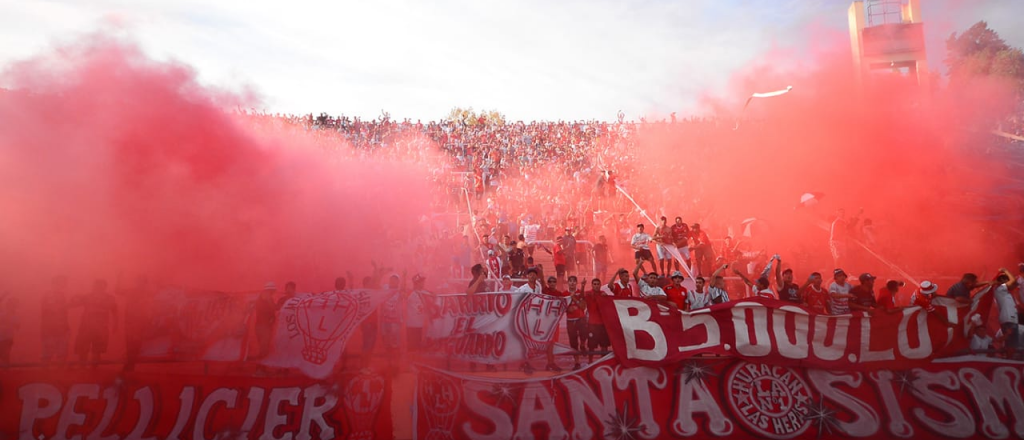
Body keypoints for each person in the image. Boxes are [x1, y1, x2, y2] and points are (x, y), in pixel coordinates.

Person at [71, 280, 119, 367]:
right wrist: (74, 298)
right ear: (94, 287)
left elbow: (114, 310)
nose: (98, 288)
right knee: (83, 348)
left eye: (101, 286)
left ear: (104, 287)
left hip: (100, 327)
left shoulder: (109, 298)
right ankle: (82, 367)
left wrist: (116, 324)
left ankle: (94, 368)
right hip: (86, 326)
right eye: (96, 286)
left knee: (97, 349)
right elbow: (73, 304)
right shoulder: (87, 296)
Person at [40, 276, 71, 367]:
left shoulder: (62, 295)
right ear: (54, 284)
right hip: (50, 327)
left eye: (62, 283)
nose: (62, 285)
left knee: (62, 349)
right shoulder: (48, 295)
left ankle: (59, 372)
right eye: (59, 283)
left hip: (61, 327)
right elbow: (47, 311)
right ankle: (46, 373)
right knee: (48, 349)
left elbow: (63, 312)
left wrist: (66, 325)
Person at [993, 268, 1020, 359]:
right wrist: (1006, 270)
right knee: (1011, 343)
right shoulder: (1000, 289)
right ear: (1002, 281)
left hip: (1011, 319)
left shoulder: (1007, 292)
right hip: (1008, 319)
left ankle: (1009, 358)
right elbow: (1014, 281)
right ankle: (1008, 359)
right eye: (1006, 279)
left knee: (1012, 343)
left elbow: (1014, 283)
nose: (1009, 281)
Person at [584, 278, 611, 363]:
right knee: (591, 346)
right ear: (592, 285)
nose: (596, 286)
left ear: (600, 285)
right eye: (594, 284)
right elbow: (581, 298)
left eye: (597, 284)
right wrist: (582, 286)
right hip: (592, 324)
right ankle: (590, 362)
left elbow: (609, 305)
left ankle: (603, 362)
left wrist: (606, 298)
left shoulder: (603, 295)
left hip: (603, 324)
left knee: (604, 345)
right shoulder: (588, 294)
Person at [564, 276, 587, 369]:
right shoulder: (564, 294)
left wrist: (573, 298)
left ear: (576, 283)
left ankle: (582, 344)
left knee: (584, 334)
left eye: (574, 281)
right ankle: (577, 362)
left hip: (581, 319)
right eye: (570, 281)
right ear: (568, 283)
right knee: (573, 342)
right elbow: (562, 307)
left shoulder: (580, 292)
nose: (572, 283)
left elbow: (583, 306)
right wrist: (568, 309)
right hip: (570, 321)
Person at [253, 282, 278, 360]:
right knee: (263, 348)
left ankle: (261, 368)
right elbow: (274, 308)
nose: (273, 293)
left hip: (262, 326)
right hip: (263, 327)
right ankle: (260, 369)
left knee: (264, 347)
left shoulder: (263, 299)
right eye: (272, 291)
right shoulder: (264, 300)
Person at [0, 295, 19, 368]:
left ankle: (6, 370)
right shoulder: (2, 313)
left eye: (13, 305)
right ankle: (5, 370)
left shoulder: (15, 315)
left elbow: (17, 327)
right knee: (4, 354)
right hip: (2, 337)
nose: (11, 307)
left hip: (8, 338)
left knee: (5, 354)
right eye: (10, 305)